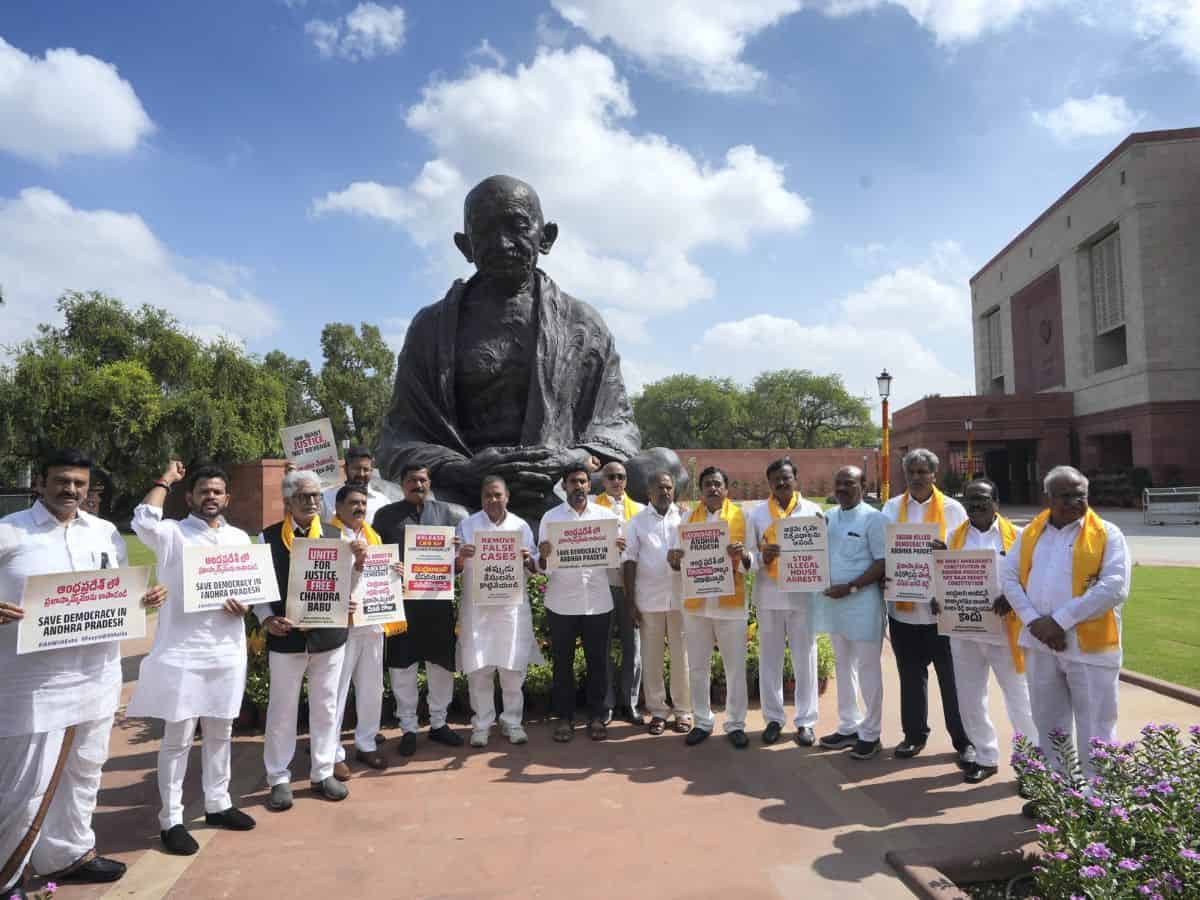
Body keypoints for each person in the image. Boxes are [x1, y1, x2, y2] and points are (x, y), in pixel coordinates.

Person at [374, 174, 684, 522]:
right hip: (465, 488)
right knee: (391, 510)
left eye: (518, 227)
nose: (503, 244)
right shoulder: (430, 328)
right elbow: (399, 438)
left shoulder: (583, 323)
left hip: (560, 483)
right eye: (486, 231)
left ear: (546, 236)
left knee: (662, 466)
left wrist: (571, 458)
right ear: (465, 245)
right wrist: (461, 469)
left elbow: (618, 426)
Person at [0, 449, 166, 895]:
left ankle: (68, 853)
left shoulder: (105, 532)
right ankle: (7, 874)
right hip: (30, 683)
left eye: (79, 483)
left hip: (96, 674)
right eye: (61, 481)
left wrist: (141, 599)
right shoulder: (9, 533)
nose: (70, 490)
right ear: (40, 483)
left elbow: (113, 589)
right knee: (23, 784)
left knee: (85, 770)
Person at [125, 461, 258, 855]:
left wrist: (244, 605)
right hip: (183, 651)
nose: (211, 497)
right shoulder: (173, 535)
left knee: (221, 732)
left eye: (217, 491)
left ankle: (218, 803)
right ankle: (172, 819)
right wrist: (163, 478)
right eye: (203, 491)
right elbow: (144, 520)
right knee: (178, 739)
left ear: (227, 498)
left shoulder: (239, 539)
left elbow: (250, 587)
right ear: (190, 497)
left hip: (227, 650)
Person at [1001, 466, 1129, 811]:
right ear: (1049, 497)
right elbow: (1009, 578)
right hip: (1040, 642)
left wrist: (1058, 622)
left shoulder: (1108, 533)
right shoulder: (1031, 533)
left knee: (1097, 724)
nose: (1075, 501)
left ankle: (1098, 799)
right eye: (1066, 495)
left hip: (1089, 647)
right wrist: (1034, 622)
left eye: (1081, 495)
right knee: (1048, 720)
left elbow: (1114, 587)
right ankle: (1057, 794)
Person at [256, 469, 362, 811]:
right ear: (288, 501)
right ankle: (279, 777)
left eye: (316, 496)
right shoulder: (267, 537)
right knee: (282, 709)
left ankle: (322, 771)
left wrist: (353, 590)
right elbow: (260, 589)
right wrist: (266, 619)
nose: (313, 502)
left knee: (327, 706)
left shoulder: (336, 534)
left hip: (329, 637)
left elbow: (350, 580)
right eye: (304, 496)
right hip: (286, 637)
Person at [931, 478, 1036, 785]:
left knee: (1020, 700)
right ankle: (986, 756)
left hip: (1005, 632)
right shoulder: (952, 537)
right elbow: (943, 581)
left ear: (996, 504)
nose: (976, 506)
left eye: (982, 500)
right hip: (964, 632)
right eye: (970, 500)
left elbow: (1032, 579)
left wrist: (1013, 599)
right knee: (969, 697)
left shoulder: (1017, 537)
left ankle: (1031, 765)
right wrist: (939, 600)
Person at [881, 448, 972, 764]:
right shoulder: (891, 508)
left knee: (953, 678)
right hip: (903, 611)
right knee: (910, 675)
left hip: (941, 611)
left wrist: (945, 551)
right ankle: (914, 735)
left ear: (935, 475)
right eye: (912, 472)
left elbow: (964, 555)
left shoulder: (953, 510)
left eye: (923, 472)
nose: (917, 477)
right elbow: (884, 553)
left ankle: (964, 739)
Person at [373, 464, 466, 755]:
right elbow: (376, 556)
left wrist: (458, 557)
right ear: (401, 483)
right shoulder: (386, 516)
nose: (417, 484)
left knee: (441, 666)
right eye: (411, 479)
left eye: (422, 479)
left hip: (437, 603)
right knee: (403, 668)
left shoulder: (448, 515)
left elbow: (457, 563)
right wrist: (391, 566)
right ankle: (408, 728)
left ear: (429, 482)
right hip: (402, 605)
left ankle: (439, 723)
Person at [669, 466, 753, 750]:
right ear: (701, 490)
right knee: (698, 667)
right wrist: (675, 558)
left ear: (726, 489)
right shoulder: (686, 518)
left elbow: (751, 563)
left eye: (717, 484)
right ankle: (702, 721)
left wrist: (742, 555)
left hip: (731, 604)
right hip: (697, 605)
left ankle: (736, 723)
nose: (712, 489)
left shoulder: (743, 516)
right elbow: (676, 561)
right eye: (707, 484)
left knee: (734, 668)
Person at [538, 466, 625, 742]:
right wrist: (544, 557)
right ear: (564, 486)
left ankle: (597, 716)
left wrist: (619, 550)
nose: (578, 486)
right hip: (561, 603)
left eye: (583, 481)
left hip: (597, 601)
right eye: (573, 482)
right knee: (562, 664)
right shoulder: (550, 519)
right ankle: (564, 718)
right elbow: (543, 568)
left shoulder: (606, 518)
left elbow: (618, 563)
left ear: (590, 485)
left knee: (598, 663)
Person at [456, 476, 541, 747]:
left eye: (497, 495)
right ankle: (481, 724)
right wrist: (461, 557)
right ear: (481, 499)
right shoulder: (467, 526)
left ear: (507, 497)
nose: (493, 501)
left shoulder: (520, 526)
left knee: (512, 668)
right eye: (487, 496)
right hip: (477, 610)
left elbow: (536, 564)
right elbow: (452, 567)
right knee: (479, 668)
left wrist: (528, 558)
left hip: (510, 610)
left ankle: (512, 722)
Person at [813, 466, 888, 761]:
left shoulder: (874, 518)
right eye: (838, 483)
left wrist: (853, 587)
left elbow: (883, 562)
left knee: (869, 671)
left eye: (849, 483)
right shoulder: (828, 518)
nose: (842, 488)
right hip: (834, 606)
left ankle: (871, 734)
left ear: (863, 485)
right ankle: (848, 726)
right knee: (843, 668)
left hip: (862, 604)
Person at [748, 458, 824, 747]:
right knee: (770, 660)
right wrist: (761, 558)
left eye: (786, 477)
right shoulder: (757, 515)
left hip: (803, 597)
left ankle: (806, 721)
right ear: (769, 483)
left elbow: (823, 554)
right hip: (769, 596)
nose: (781, 483)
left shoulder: (814, 512)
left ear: (796, 479)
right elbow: (747, 559)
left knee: (805, 659)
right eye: (775, 479)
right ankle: (774, 719)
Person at [623, 471, 691, 735]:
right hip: (648, 599)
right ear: (649, 493)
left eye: (669, 488)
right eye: (659, 488)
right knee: (651, 658)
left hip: (680, 599)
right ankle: (658, 711)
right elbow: (629, 559)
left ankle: (683, 711)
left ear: (674, 490)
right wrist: (630, 601)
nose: (664, 492)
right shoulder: (636, 522)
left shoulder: (685, 517)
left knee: (680, 657)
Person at [328, 484, 388, 778]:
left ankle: (366, 744)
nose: (360, 508)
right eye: (353, 503)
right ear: (338, 507)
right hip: (344, 626)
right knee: (336, 692)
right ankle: (332, 753)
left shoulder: (372, 535)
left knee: (372, 688)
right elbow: (319, 579)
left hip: (374, 622)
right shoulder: (327, 535)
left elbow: (381, 574)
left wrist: (395, 571)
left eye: (363, 503)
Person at [594, 460, 644, 725]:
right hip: (601, 583)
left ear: (626, 480)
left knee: (632, 647)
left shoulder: (640, 510)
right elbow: (559, 490)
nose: (615, 481)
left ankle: (630, 702)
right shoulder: (590, 508)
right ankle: (607, 704)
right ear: (602, 481)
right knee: (602, 648)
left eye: (620, 476)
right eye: (610, 476)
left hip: (631, 586)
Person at [320, 446, 391, 523]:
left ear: (371, 470)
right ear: (345, 469)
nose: (361, 474)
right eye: (356, 469)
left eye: (366, 469)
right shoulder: (326, 499)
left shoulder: (383, 502)